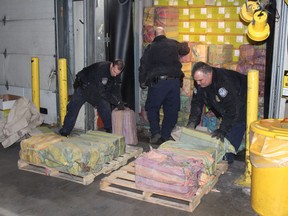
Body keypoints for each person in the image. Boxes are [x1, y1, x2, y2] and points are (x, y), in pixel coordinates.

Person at [187, 61, 247, 164]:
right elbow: (197, 103)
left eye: (200, 80)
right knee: (223, 117)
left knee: (235, 124)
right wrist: (192, 122)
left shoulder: (224, 82)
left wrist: (222, 130)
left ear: (209, 74)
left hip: (241, 98)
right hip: (226, 100)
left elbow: (233, 109)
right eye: (196, 80)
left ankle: (227, 158)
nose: (198, 83)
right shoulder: (200, 82)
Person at [139, 26, 190, 145]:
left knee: (152, 108)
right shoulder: (174, 44)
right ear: (165, 33)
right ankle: (166, 135)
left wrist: (142, 81)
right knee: (171, 110)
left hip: (158, 83)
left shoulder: (150, 47)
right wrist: (184, 45)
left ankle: (156, 133)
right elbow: (185, 50)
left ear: (155, 35)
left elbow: (143, 66)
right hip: (174, 82)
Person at [59, 59, 125, 136]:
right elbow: (102, 92)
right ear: (111, 65)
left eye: (118, 73)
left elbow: (116, 89)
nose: (115, 75)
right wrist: (115, 102)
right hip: (84, 87)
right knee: (74, 107)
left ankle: (110, 130)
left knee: (105, 106)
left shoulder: (116, 73)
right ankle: (65, 130)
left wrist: (119, 101)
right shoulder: (101, 69)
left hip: (95, 90)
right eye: (114, 72)